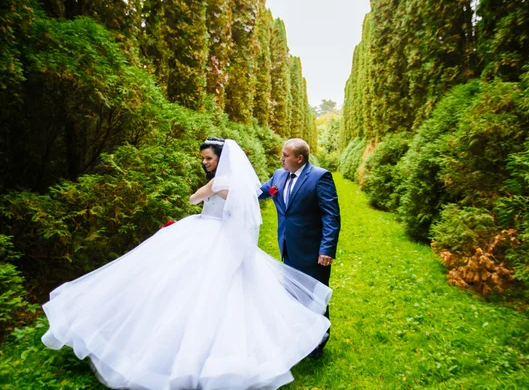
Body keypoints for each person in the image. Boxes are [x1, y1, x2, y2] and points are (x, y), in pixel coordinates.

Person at [41, 138, 332, 390]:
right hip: (229, 238)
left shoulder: (222, 182)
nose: (205, 162)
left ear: (221, 159)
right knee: (226, 291)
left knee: (187, 286)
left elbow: (194, 199)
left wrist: (214, 191)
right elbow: (252, 198)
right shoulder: (260, 181)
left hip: (212, 233)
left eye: (208, 158)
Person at [259, 138, 341, 360]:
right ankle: (300, 338)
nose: (281, 159)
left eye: (285, 155)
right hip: (288, 247)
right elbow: (259, 191)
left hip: (313, 251)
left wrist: (327, 249)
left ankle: (318, 344)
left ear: (299, 158)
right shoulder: (278, 175)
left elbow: (331, 216)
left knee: (316, 296)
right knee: (295, 295)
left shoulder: (319, 177)